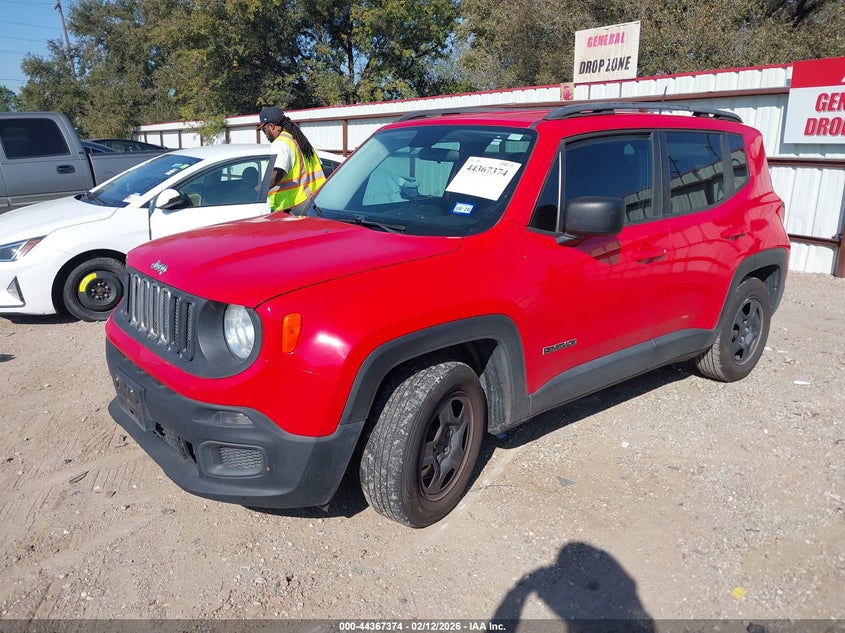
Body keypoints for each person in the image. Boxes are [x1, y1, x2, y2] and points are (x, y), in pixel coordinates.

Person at [257, 106, 326, 214]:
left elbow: (276, 174)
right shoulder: (299, 141)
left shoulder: (280, 144)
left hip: (292, 208)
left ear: (271, 126)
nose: (264, 134)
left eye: (263, 129)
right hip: (313, 204)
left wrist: (257, 190)